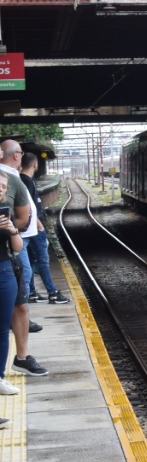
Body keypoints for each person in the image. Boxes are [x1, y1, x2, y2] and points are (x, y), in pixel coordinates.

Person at [0, 140, 45, 376]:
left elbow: (23, 217)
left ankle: (22, 357)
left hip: (9, 253)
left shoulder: (11, 179)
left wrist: (9, 229)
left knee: (20, 303)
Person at [20, 153, 69, 305]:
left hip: (28, 228)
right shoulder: (26, 182)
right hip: (33, 227)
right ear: (35, 164)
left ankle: (33, 292)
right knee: (42, 260)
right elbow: (28, 206)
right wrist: (40, 225)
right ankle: (52, 293)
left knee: (30, 260)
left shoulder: (21, 180)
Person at [0, 173, 23, 405]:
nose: (0, 189)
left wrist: (12, 230)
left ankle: (0, 377)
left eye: (3, 186)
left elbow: (16, 247)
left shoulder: (5, 210)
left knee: (3, 329)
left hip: (5, 271)